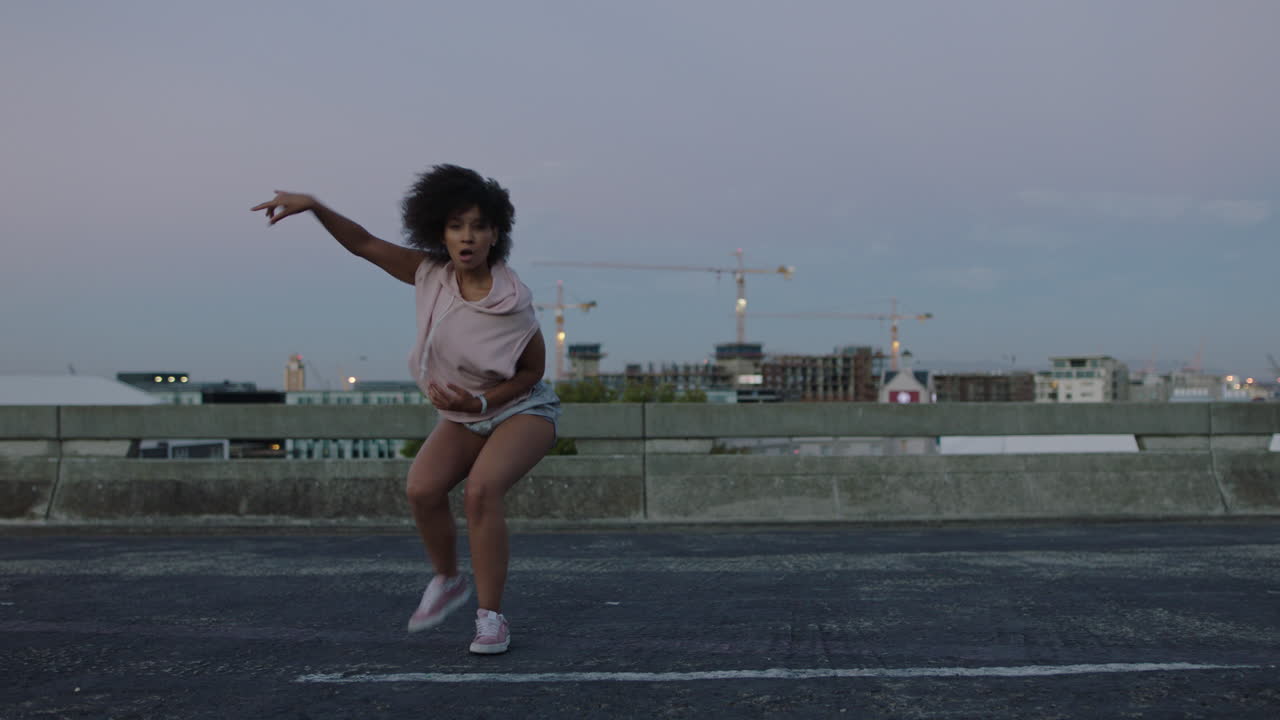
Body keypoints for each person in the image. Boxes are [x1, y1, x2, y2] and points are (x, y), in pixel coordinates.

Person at [251, 165, 560, 655]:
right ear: (440, 231)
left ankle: (490, 618)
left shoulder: (512, 301)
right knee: (421, 488)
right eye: (457, 226)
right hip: (464, 414)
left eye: (479, 226)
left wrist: (481, 400)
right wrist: (314, 205)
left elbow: (531, 374)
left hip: (522, 410)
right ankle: (447, 579)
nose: (467, 237)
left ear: (495, 234)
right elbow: (363, 243)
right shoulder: (429, 275)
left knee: (481, 492)